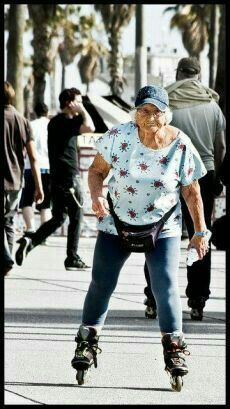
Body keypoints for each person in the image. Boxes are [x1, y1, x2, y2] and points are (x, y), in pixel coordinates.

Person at [70, 85, 209, 390]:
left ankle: (174, 350)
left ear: (166, 113)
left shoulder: (180, 144)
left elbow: (191, 191)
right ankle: (86, 341)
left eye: (156, 111)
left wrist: (200, 231)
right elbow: (96, 172)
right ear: (135, 113)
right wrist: (96, 198)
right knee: (101, 282)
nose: (149, 118)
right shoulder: (119, 137)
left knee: (166, 285)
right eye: (143, 111)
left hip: (163, 226)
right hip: (116, 222)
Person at [143, 57, 226, 321]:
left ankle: (153, 298)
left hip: (167, 174)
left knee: (155, 234)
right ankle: (197, 299)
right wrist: (216, 173)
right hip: (204, 174)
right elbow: (221, 146)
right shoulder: (213, 106)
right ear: (198, 76)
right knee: (200, 234)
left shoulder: (165, 106)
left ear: (178, 74)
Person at [15, 88, 95, 271]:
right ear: (69, 103)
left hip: (56, 177)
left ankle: (31, 240)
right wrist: (82, 110)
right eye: (79, 101)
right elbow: (90, 127)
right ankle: (72, 258)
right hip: (70, 178)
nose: (81, 105)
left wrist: (80, 109)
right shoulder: (67, 122)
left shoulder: (54, 122)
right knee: (76, 216)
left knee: (59, 217)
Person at [4, 81, 44, 276]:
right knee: (9, 222)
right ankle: (7, 265)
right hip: (16, 179)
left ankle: (6, 259)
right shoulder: (22, 121)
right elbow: (33, 157)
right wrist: (39, 185)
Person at [18, 102, 52, 237]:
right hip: (48, 167)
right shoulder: (51, 125)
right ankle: (44, 234)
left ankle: (30, 229)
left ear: (34, 113)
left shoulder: (30, 125)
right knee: (46, 204)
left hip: (30, 167)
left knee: (26, 200)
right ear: (47, 112)